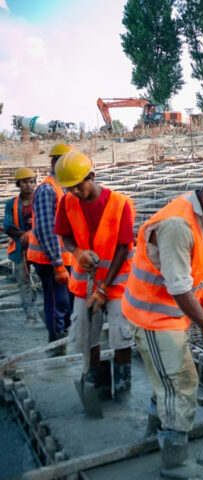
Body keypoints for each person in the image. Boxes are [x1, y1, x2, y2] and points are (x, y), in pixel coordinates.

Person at [121, 159, 203, 478]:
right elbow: (179, 288)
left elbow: (194, 268)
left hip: (169, 314)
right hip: (154, 316)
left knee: (165, 381)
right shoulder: (179, 225)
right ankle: (175, 462)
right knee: (181, 383)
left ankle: (154, 437)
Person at [53, 151, 135, 399]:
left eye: (78, 185)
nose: (74, 192)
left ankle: (122, 388)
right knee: (86, 335)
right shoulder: (67, 202)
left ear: (92, 176)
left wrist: (103, 288)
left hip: (117, 283)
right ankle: (96, 385)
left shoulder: (120, 203)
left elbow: (123, 248)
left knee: (121, 335)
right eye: (69, 188)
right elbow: (65, 235)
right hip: (84, 284)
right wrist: (76, 252)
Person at [26, 143, 74, 345]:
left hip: (66, 258)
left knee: (66, 303)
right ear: (55, 162)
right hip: (50, 260)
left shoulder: (65, 187)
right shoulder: (47, 189)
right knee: (57, 304)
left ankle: (63, 341)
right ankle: (56, 346)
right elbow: (46, 230)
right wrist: (57, 264)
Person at [4, 168, 37, 325]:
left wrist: (32, 236)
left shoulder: (40, 200)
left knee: (45, 278)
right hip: (20, 248)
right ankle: (30, 315)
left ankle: (46, 311)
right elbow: (8, 226)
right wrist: (23, 235)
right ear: (18, 184)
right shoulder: (12, 204)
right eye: (24, 182)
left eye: (31, 181)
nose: (28, 185)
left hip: (40, 248)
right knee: (23, 282)